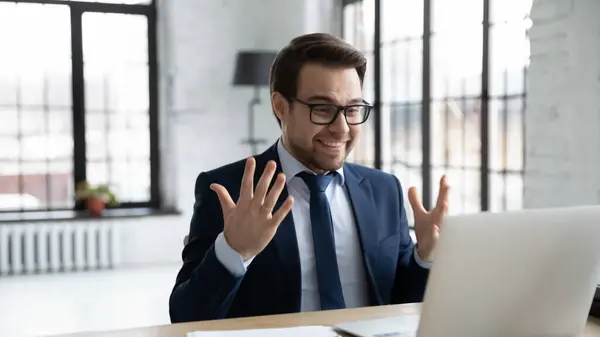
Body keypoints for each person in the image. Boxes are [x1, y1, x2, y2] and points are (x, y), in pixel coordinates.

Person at [169, 33, 450, 323]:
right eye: (323, 109)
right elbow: (186, 316)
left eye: (352, 109)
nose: (341, 129)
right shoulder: (229, 190)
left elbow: (399, 303)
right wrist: (233, 250)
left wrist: (424, 257)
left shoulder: (383, 189)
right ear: (281, 107)